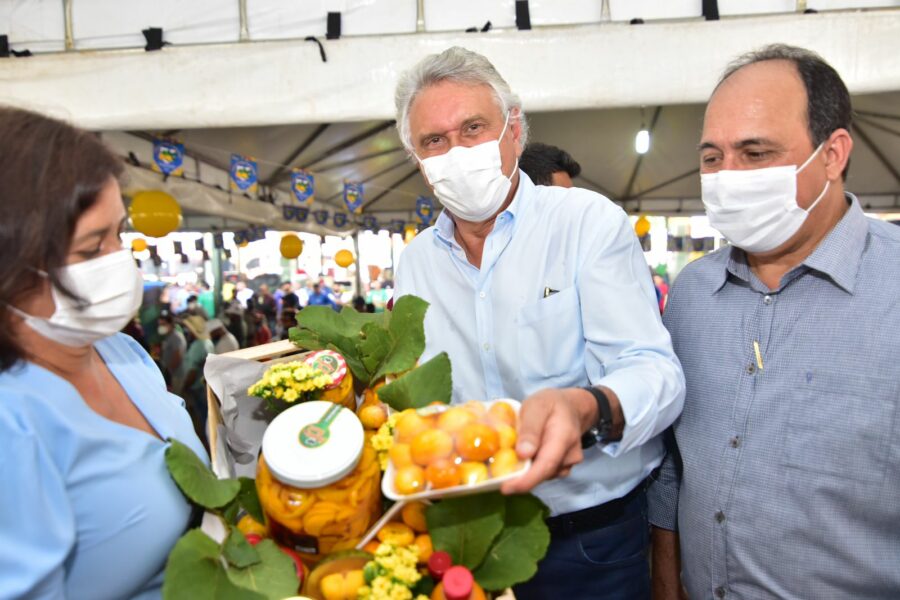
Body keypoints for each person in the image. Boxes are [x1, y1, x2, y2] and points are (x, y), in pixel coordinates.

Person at [392, 47, 685, 599]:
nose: (456, 152)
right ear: (417, 158)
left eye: (473, 128)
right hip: (465, 534)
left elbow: (654, 371)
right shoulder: (416, 262)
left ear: (514, 129)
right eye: (435, 141)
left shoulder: (585, 223)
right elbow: (418, 394)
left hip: (588, 540)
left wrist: (589, 409)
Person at [648, 44, 900, 599]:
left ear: (832, 155)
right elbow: (671, 467)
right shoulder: (692, 294)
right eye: (712, 158)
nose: (727, 176)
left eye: (755, 152)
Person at [0, 106, 207, 599]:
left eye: (120, 233)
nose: (121, 260)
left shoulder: (122, 352)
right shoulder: (13, 421)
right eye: (92, 249)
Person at [178, 314, 214, 435]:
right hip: (205, 384)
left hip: (198, 388)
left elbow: (192, 372)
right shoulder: (208, 342)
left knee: (204, 419)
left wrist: (184, 387)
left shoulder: (198, 346)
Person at [158, 310, 187, 389]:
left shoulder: (176, 337)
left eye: (163, 324)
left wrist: (168, 373)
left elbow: (178, 356)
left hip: (176, 376)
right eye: (160, 324)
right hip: (171, 375)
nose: (161, 327)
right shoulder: (168, 336)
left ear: (170, 324)